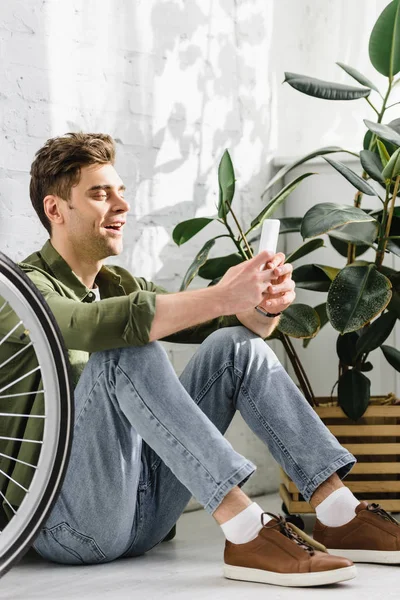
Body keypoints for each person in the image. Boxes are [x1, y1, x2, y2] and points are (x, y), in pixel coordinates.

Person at [0, 133, 399, 589]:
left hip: (144, 513)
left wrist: (258, 306)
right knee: (128, 347)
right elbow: (88, 325)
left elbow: (228, 325)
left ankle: (337, 512)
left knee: (235, 346)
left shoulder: (120, 283)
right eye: (99, 193)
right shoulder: (18, 290)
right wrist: (222, 295)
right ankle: (247, 531)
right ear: (55, 210)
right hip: (69, 527)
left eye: (120, 192)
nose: (120, 205)